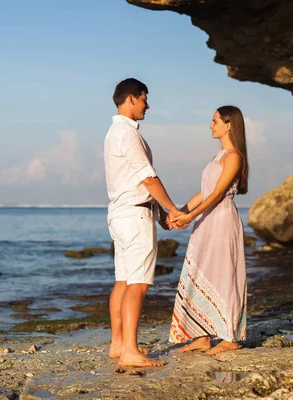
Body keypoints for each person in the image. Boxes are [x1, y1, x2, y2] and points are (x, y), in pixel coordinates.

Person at [104, 78, 183, 367]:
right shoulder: (127, 134)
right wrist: (171, 209)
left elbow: (133, 180)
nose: (148, 105)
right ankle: (130, 351)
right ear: (132, 99)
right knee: (138, 284)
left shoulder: (113, 132)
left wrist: (160, 214)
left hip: (121, 212)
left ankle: (118, 344)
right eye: (144, 99)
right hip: (134, 216)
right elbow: (147, 178)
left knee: (123, 281)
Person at [169, 105, 249, 356]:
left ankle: (230, 337)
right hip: (206, 219)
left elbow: (217, 194)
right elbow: (204, 191)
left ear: (228, 124)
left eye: (214, 121)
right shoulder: (218, 157)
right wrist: (180, 211)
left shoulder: (234, 156)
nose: (210, 125)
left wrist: (191, 215)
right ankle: (201, 336)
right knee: (198, 270)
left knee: (225, 274)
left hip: (222, 218)